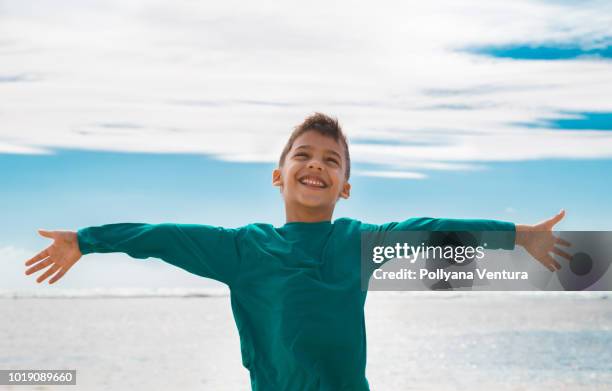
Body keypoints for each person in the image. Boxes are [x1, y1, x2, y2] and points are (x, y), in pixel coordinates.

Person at [24, 113, 572, 390]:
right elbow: (164, 234)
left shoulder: (360, 244)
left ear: (346, 187)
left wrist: (517, 235)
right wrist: (87, 240)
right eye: (304, 156)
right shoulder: (243, 249)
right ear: (278, 175)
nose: (317, 166)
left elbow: (429, 229)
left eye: (332, 162)